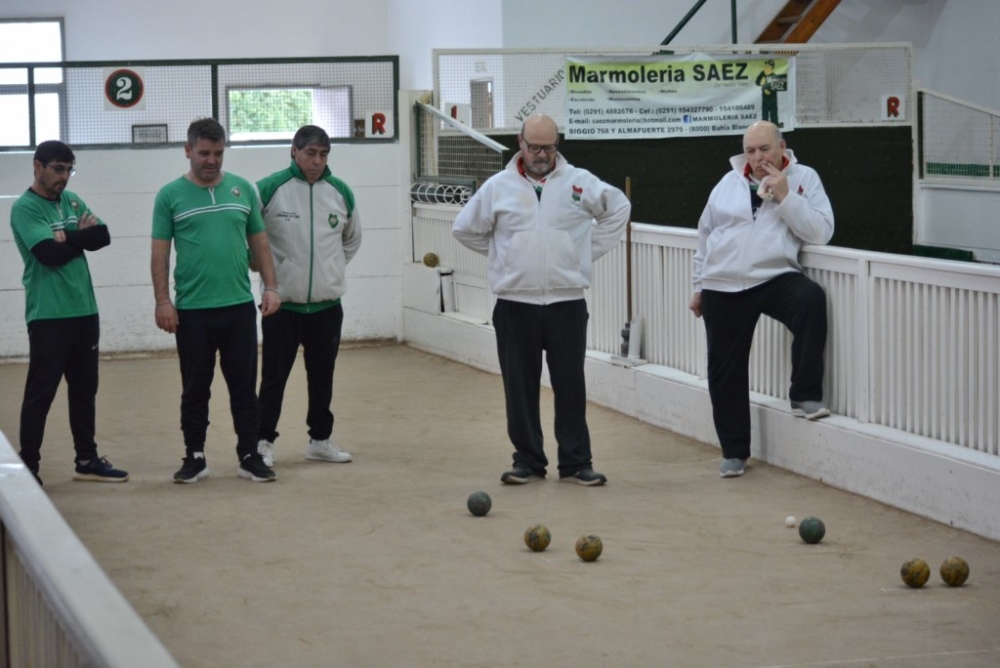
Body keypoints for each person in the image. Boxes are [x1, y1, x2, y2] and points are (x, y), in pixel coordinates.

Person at [452, 114, 630, 486]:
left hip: (567, 304)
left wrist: (582, 253)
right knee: (520, 387)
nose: (541, 155)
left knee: (570, 385)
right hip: (515, 305)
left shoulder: (580, 182)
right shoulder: (498, 187)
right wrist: (505, 255)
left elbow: (619, 209)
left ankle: (576, 462)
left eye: (549, 147)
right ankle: (528, 461)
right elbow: (464, 228)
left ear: (557, 145)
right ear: (520, 143)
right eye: (534, 147)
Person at [689, 120, 834, 479]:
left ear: (782, 147)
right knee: (724, 370)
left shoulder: (804, 178)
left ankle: (804, 393)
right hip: (722, 283)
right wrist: (698, 286)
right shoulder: (727, 182)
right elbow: (705, 235)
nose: (756, 157)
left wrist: (787, 196)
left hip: (773, 275)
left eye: (764, 149)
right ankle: (735, 452)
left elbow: (821, 231)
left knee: (810, 300)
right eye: (750, 150)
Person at [151, 118, 281, 484]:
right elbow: (159, 254)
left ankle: (249, 456)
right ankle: (195, 456)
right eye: (204, 153)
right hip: (192, 312)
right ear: (188, 150)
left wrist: (271, 287)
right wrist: (163, 301)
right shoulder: (169, 196)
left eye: (219, 153)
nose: (212, 160)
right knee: (195, 389)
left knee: (244, 387)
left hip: (238, 307)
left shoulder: (241, 190)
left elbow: (260, 243)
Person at [10, 140, 129, 486]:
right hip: (49, 315)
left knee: (84, 388)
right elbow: (48, 254)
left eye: (69, 169)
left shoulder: (71, 201)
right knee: (41, 391)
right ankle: (29, 464)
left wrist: (69, 237)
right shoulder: (25, 209)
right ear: (38, 167)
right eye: (58, 169)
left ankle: (87, 459)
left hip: (84, 312)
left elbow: (103, 236)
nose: (64, 177)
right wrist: (80, 235)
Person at [254, 125, 362, 467]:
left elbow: (352, 239)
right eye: (311, 154)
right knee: (274, 377)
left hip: (328, 307)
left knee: (322, 377)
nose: (317, 161)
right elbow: (251, 239)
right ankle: (263, 442)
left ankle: (320, 439)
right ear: (294, 152)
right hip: (281, 305)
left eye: (323, 155)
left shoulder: (340, 191)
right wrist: (273, 274)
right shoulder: (269, 189)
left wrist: (331, 268)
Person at [756, 60, 782, 127]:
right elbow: (757, 82)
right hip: (765, 98)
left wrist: (770, 90)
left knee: (773, 111)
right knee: (765, 112)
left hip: (772, 98)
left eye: (767, 66)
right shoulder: (762, 74)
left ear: (771, 67)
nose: (766, 67)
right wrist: (761, 82)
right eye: (765, 66)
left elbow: (778, 86)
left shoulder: (774, 76)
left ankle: (775, 125)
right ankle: (764, 126)